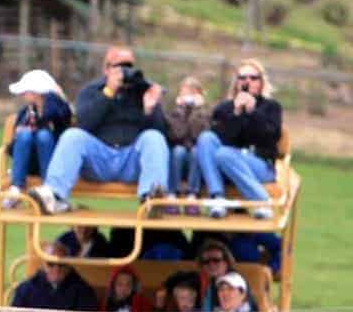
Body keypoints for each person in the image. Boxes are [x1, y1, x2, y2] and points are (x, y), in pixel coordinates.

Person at [30, 47, 169, 215]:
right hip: (99, 160)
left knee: (153, 137)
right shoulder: (91, 91)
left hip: (131, 161)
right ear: (106, 69)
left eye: (129, 66)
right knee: (73, 136)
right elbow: (83, 123)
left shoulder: (143, 91)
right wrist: (109, 92)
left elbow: (162, 135)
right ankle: (54, 195)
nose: (125, 70)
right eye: (119, 66)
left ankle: (151, 201)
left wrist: (150, 109)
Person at [195, 59, 282, 219]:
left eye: (253, 78)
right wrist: (236, 113)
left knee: (224, 154)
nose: (247, 81)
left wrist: (252, 112)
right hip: (227, 162)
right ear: (236, 82)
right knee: (206, 139)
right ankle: (217, 197)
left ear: (261, 82)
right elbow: (224, 139)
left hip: (259, 164)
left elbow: (270, 137)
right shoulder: (224, 109)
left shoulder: (271, 107)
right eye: (242, 77)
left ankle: (261, 202)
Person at [2, 69, 73, 203]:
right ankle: (17, 187)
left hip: (52, 163)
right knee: (25, 135)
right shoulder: (26, 113)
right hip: (29, 163)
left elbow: (66, 116)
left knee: (43, 136)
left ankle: (50, 189)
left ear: (37, 93)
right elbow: (13, 147)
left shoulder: (57, 111)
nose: (23, 95)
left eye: (27, 91)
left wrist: (60, 97)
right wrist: (21, 133)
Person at [10, 240, 98, 312]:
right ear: (42, 265)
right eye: (51, 264)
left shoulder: (83, 291)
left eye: (61, 264)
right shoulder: (26, 289)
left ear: (68, 265)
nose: (56, 269)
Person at [164, 76, 210, 213]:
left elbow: (199, 135)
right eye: (184, 94)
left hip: (196, 164)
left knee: (196, 152)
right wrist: (182, 112)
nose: (188, 99)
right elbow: (177, 135)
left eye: (191, 94)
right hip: (179, 161)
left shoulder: (205, 113)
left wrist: (196, 111)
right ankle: (173, 194)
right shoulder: (175, 113)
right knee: (178, 151)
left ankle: (192, 196)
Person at [196, 238, 258, 312]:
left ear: (227, 261)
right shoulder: (208, 282)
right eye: (206, 261)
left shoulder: (237, 282)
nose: (211, 264)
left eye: (216, 260)